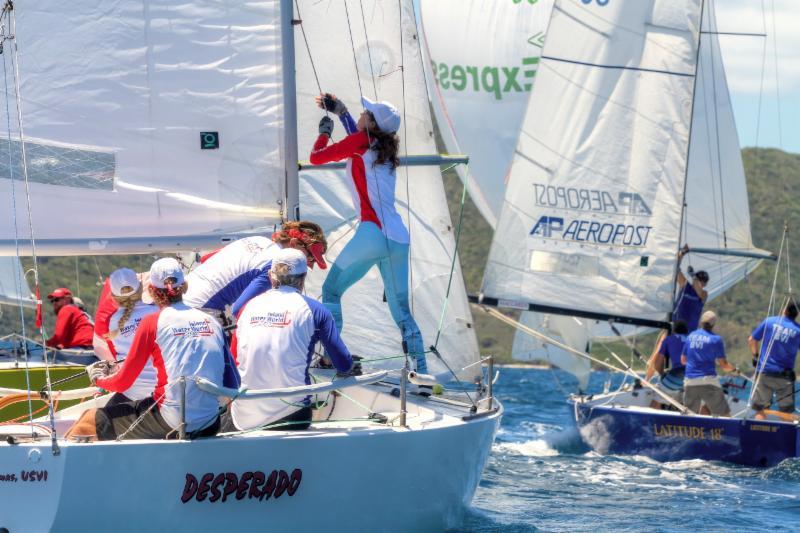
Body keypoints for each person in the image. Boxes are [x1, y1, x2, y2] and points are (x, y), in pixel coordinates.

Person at [309, 93, 428, 375]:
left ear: (372, 123)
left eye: (366, 112)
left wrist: (323, 135)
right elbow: (357, 139)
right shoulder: (382, 148)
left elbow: (316, 159)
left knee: (331, 291)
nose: (362, 114)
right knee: (401, 311)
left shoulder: (362, 142)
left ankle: (331, 358)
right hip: (398, 237)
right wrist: (343, 113)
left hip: (372, 233)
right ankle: (421, 371)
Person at [65, 258, 240, 441]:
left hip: (172, 420)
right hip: (210, 423)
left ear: (151, 291)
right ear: (185, 287)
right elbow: (232, 383)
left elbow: (123, 383)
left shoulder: (153, 323)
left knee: (88, 420)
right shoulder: (211, 321)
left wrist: (98, 379)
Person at [222, 248, 357, 432]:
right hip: (293, 416)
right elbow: (343, 364)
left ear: (271, 276)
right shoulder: (317, 311)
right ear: (302, 279)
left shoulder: (247, 307)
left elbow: (234, 363)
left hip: (244, 417)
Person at [181, 221, 328, 319]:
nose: (310, 265)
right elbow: (239, 310)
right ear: (294, 243)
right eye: (309, 257)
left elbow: (205, 259)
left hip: (179, 299)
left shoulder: (257, 239)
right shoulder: (276, 265)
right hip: (199, 312)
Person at [103, 268, 159, 406]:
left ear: (113, 296)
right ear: (141, 288)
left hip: (131, 392)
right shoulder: (158, 311)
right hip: (160, 390)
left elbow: (115, 358)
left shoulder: (112, 322)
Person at [748, 301, 800, 420]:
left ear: (785, 310)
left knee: (760, 409)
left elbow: (752, 340)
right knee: (786, 413)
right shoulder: (798, 330)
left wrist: (756, 358)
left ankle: (759, 435)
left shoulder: (769, 321)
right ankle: (784, 438)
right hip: (785, 377)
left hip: (765, 372)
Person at [681, 310, 737, 416]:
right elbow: (724, 365)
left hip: (690, 380)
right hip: (708, 380)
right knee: (724, 414)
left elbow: (683, 360)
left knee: (691, 414)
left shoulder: (691, 336)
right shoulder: (716, 339)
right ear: (713, 324)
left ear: (701, 322)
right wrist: (734, 370)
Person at [645, 321, 689, 409]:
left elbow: (657, 363)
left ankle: (648, 422)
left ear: (673, 331)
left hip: (677, 375)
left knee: (656, 402)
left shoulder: (668, 339)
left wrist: (662, 374)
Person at [673, 245, 709, 331]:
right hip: (675, 327)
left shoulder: (704, 294)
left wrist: (693, 276)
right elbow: (675, 268)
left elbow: (699, 291)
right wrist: (681, 254)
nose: (703, 284)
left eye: (704, 282)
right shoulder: (685, 285)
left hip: (689, 332)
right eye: (702, 280)